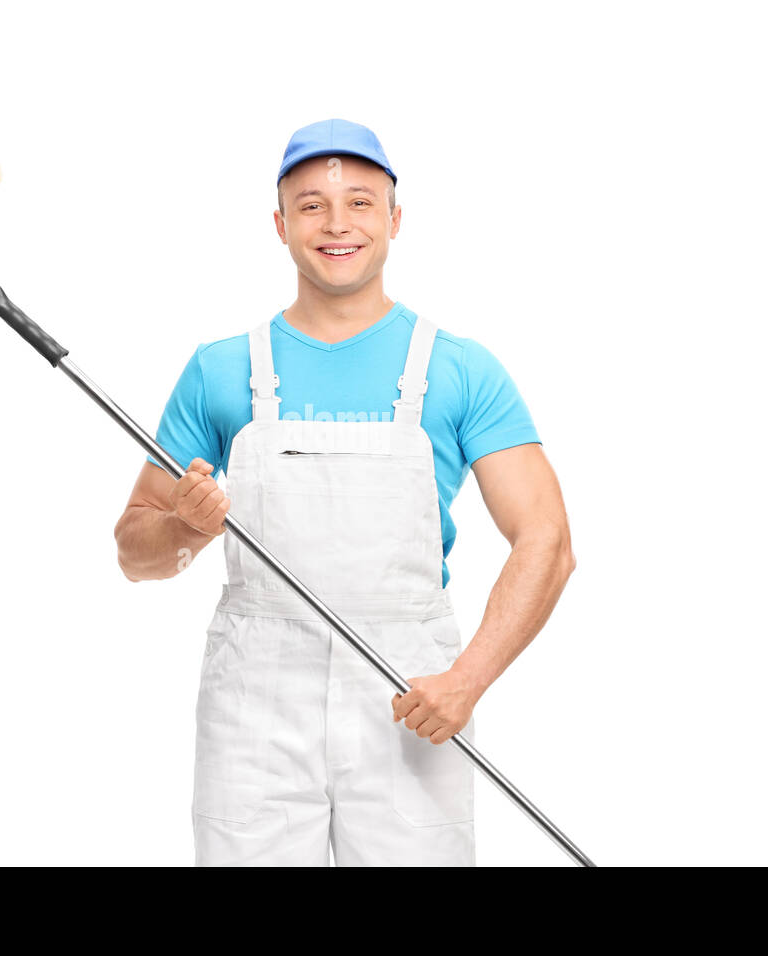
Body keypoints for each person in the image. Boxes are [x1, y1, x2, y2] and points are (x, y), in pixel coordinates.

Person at [114, 119, 576, 866]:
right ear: (280, 224)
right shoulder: (221, 369)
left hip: (412, 693)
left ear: (394, 220)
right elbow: (136, 551)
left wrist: (468, 681)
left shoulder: (461, 369)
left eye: (360, 203)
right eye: (311, 205)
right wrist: (185, 529)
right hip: (255, 707)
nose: (337, 224)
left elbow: (547, 544)